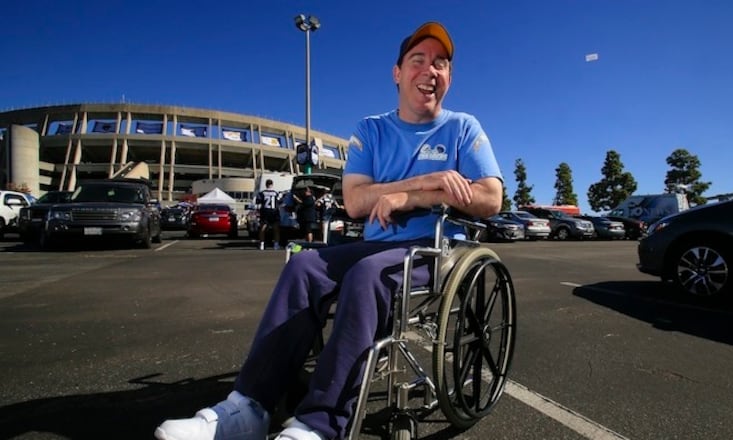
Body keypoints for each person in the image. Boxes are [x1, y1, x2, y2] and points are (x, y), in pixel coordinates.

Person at [154, 21, 503, 440]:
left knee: (367, 276)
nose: (430, 71)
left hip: (435, 251)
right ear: (397, 73)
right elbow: (356, 201)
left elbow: (490, 199)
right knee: (303, 267)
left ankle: (320, 424)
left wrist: (408, 200)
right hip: (376, 245)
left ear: (449, 76)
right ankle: (249, 407)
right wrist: (430, 184)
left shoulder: (463, 128)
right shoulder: (371, 130)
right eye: (418, 60)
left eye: (441, 64)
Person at [257, 179, 281, 250]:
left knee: (262, 228)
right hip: (274, 212)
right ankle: (276, 244)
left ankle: (262, 244)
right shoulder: (275, 192)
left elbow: (258, 202)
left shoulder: (262, 193)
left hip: (265, 211)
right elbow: (279, 201)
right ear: (272, 184)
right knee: (276, 229)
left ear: (266, 184)